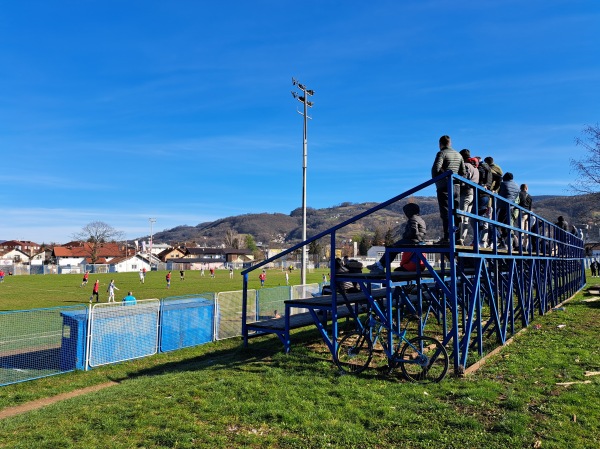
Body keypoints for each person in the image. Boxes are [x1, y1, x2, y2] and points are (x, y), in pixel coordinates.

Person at [368, 202, 426, 274]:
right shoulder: (421, 219)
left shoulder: (413, 218)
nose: (406, 214)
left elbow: (413, 231)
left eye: (406, 212)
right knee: (392, 248)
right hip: (416, 240)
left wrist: (405, 236)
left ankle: (380, 266)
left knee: (391, 248)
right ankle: (380, 264)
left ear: (410, 211)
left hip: (412, 241)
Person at [431, 135, 466, 244]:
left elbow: (435, 169)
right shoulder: (459, 155)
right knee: (456, 211)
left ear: (440, 144)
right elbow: (463, 173)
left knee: (445, 212)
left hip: (444, 187)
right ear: (450, 143)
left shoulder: (441, 153)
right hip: (456, 187)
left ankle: (447, 238)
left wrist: (438, 179)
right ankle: (458, 238)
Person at [458, 150, 479, 246]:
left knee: (461, 216)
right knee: (466, 218)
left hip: (465, 192)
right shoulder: (476, 169)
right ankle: (462, 238)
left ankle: (459, 238)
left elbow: (463, 179)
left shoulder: (465, 166)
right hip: (472, 194)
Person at [497, 172, 519, 249]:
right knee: (507, 226)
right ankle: (508, 244)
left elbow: (498, 192)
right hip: (511, 208)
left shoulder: (503, 184)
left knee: (496, 225)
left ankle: (502, 243)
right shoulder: (517, 186)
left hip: (502, 206)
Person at [518, 184, 533, 249]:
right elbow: (530, 207)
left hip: (521, 213)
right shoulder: (529, 196)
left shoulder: (519, 194)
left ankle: (520, 245)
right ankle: (525, 245)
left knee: (520, 229)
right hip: (527, 214)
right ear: (526, 188)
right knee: (526, 230)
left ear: (520, 188)